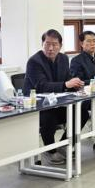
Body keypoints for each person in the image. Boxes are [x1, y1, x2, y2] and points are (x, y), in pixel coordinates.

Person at [23, 29, 85, 165]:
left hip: (57, 102)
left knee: (82, 111)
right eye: (47, 44)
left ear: (60, 46)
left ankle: (64, 144)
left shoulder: (63, 58)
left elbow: (67, 79)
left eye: (54, 44)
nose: (50, 48)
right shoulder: (34, 61)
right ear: (42, 44)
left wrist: (76, 84)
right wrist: (66, 84)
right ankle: (49, 150)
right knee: (49, 116)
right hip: (37, 105)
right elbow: (41, 86)